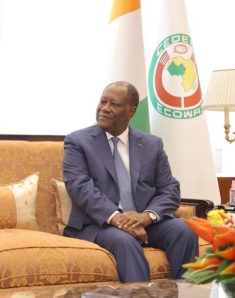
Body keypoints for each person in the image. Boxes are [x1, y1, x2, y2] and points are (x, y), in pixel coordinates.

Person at [62, 81, 198, 282]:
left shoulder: (152, 144)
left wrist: (147, 217)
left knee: (184, 231)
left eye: (114, 104)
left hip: (144, 221)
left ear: (131, 111)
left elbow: (169, 188)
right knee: (125, 241)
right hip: (100, 225)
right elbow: (80, 187)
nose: (105, 108)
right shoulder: (78, 141)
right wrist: (119, 219)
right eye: (103, 102)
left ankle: (190, 295)